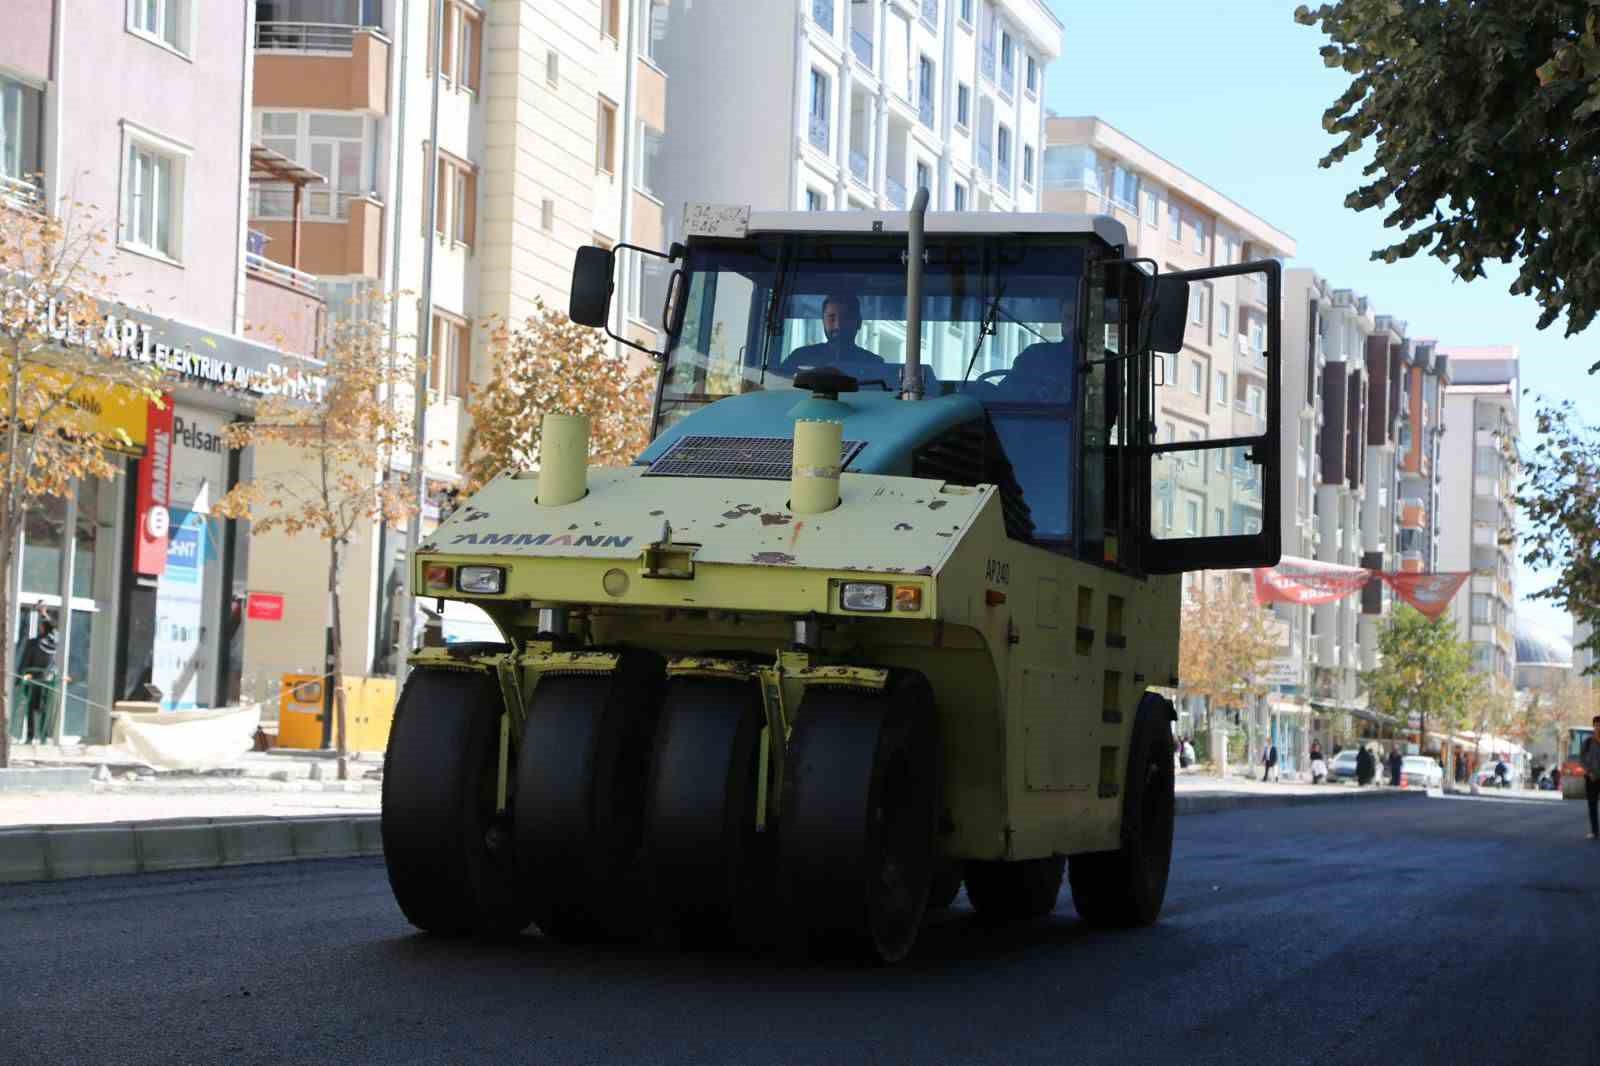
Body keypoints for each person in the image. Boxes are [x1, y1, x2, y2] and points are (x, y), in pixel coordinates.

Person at [777, 294, 886, 378]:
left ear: (858, 322)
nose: (838, 325)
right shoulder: (799, 357)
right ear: (823, 321)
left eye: (846, 318)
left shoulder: (874, 364)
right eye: (831, 318)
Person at [1001, 296, 1079, 402]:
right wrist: (1035, 391)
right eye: (1068, 318)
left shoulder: (1108, 361)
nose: (1074, 325)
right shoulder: (1034, 355)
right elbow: (1006, 394)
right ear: (1061, 320)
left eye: (1080, 318)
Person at [17, 608, 58, 745]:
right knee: (44, 709)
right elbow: (54, 630)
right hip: (47, 681)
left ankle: (30, 736)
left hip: (33, 680)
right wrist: (44, 614)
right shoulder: (54, 643)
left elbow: (25, 660)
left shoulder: (33, 643)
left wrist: (19, 677)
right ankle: (44, 737)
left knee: (30, 707)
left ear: (41, 627)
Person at [1581, 716, 1600, 839]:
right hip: (1591, 778)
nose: (1599, 727)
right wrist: (1589, 772)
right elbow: (1582, 759)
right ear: (1593, 726)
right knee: (1592, 805)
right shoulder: (1588, 742)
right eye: (1597, 725)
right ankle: (1594, 831)